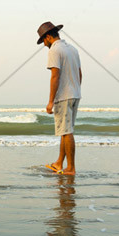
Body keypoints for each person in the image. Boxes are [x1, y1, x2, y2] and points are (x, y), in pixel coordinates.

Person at [36, 21, 82, 175]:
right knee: (65, 130)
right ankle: (58, 163)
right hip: (75, 93)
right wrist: (75, 89)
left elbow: (55, 76)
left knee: (67, 132)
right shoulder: (73, 49)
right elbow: (80, 74)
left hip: (64, 96)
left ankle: (71, 168)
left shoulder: (55, 50)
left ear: (48, 36)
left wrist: (50, 101)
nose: (44, 45)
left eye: (43, 41)